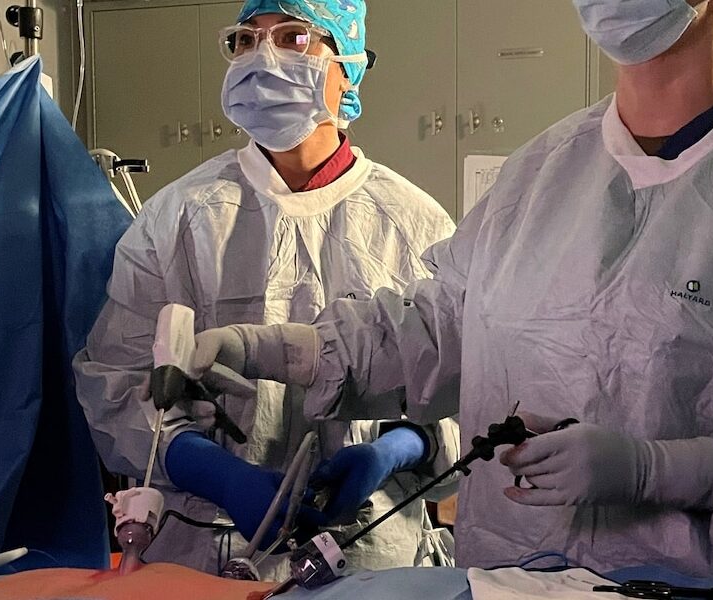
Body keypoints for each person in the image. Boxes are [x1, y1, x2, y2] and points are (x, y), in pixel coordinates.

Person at [191, 0, 713, 588]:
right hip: (504, 579)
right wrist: (280, 348)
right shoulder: (540, 173)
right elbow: (443, 325)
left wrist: (677, 470)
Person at [73, 0, 459, 579]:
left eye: (294, 37)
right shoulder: (178, 217)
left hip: (370, 549)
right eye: (245, 40)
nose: (263, 56)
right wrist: (207, 467)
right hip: (202, 554)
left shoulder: (413, 224)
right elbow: (117, 383)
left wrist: (398, 448)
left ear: (347, 65)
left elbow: (461, 385)